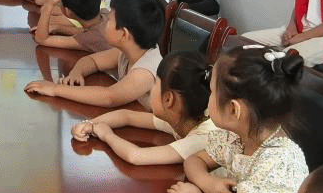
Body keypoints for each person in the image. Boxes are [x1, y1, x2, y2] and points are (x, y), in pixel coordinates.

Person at [168, 44, 308, 193]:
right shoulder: (236, 136)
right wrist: (206, 182)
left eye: (212, 92)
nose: (208, 98)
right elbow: (194, 160)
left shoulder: (280, 161)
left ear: (234, 110)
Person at [24, 0, 164, 109]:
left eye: (109, 20)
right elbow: (92, 60)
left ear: (124, 34)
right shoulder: (131, 49)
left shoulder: (144, 72)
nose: (104, 23)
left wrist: (55, 89)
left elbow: (110, 97)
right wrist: (76, 73)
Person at [72, 50, 216, 165]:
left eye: (155, 84)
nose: (151, 88)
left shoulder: (203, 137)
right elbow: (126, 116)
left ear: (168, 99)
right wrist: (89, 124)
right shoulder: (182, 114)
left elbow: (135, 156)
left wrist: (106, 135)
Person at [31, 0, 110, 54]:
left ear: (67, 11)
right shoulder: (106, 14)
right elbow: (85, 30)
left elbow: (42, 39)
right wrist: (57, 28)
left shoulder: (89, 39)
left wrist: (48, 5)